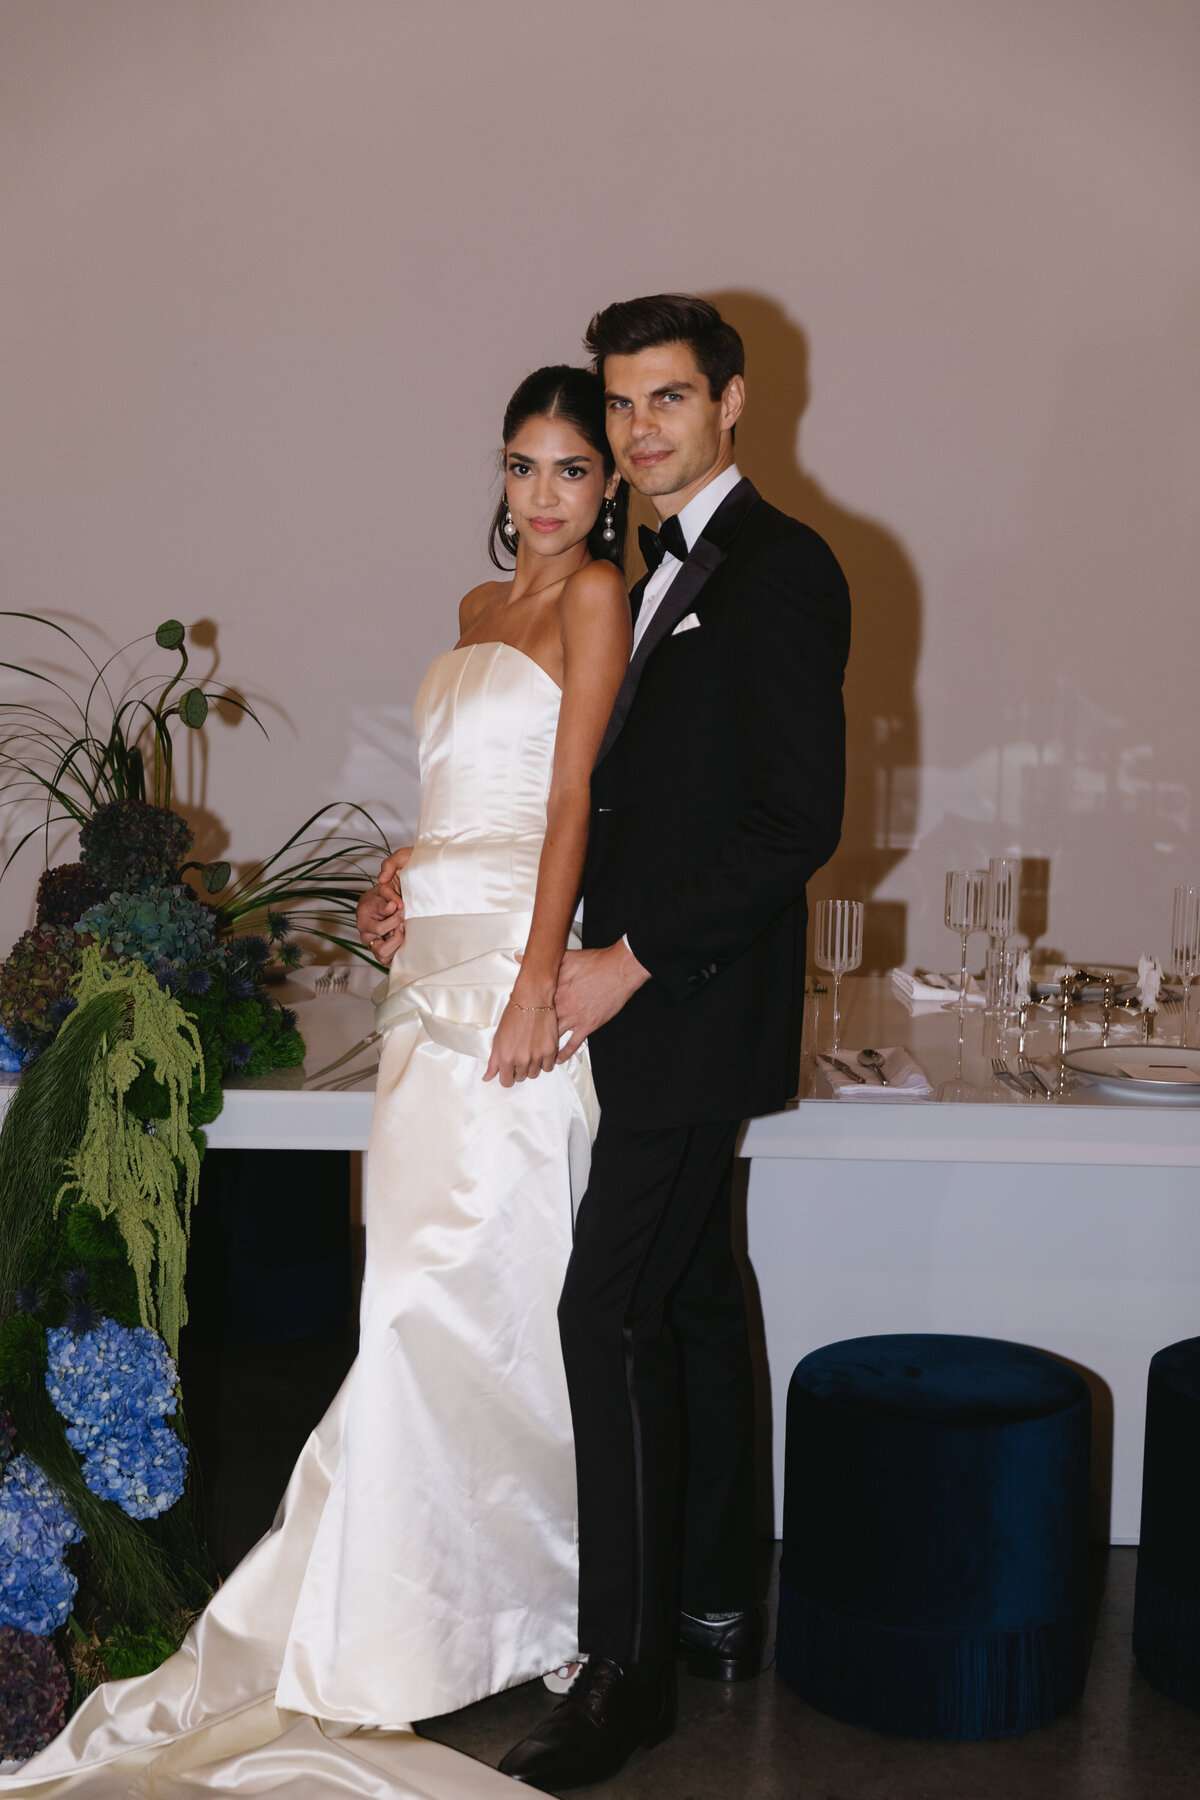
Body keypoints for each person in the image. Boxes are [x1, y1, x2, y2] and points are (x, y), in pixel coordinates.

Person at [0, 365, 629, 1797]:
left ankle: (526, 1612)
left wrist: (540, 978)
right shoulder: (476, 614)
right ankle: (431, 1608)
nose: (542, 496)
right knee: (401, 1292)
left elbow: (578, 800)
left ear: (609, 490)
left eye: (571, 472)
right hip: (429, 982)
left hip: (517, 984)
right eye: (523, 467)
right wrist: (399, 880)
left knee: (475, 1301)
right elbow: (462, 796)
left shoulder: (598, 599)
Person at [498, 295, 851, 1790]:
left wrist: (626, 962)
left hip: (687, 1005)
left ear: (733, 402)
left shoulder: (778, 568)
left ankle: (624, 1675)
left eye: (666, 401)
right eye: (623, 405)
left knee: (608, 1314)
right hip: (646, 1007)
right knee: (697, 1299)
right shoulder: (644, 571)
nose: (638, 429)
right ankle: (716, 1607)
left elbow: (793, 822)